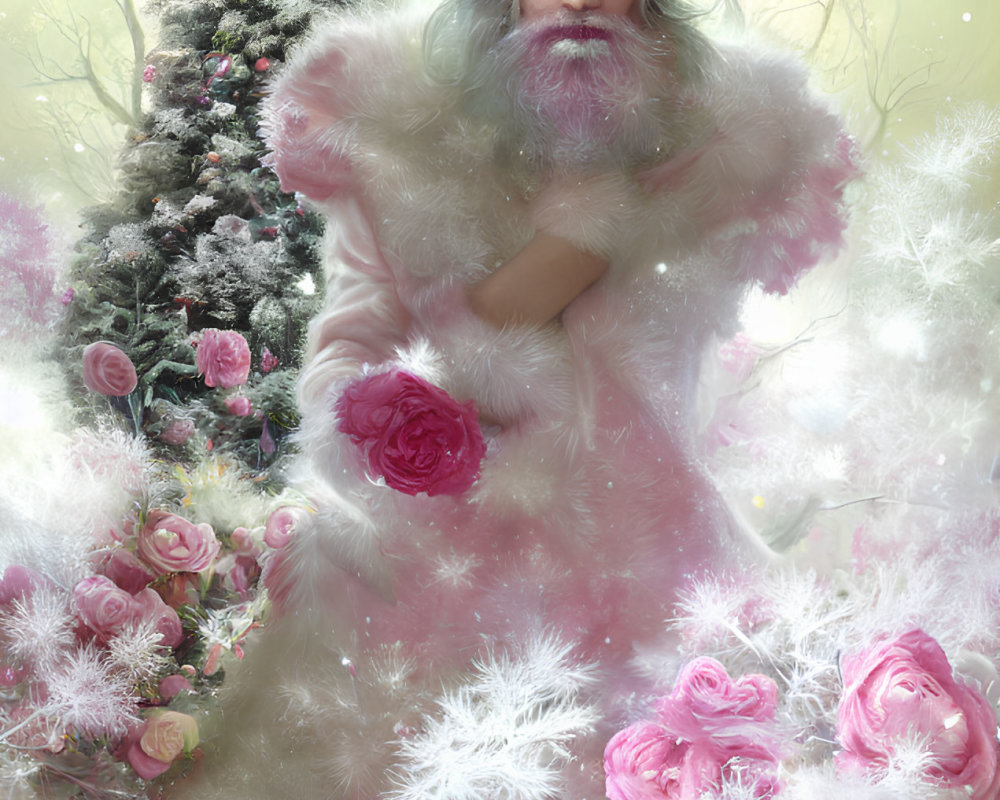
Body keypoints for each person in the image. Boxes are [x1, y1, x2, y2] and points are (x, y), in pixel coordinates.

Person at [181, 0, 855, 796]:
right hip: (436, 559)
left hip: (648, 563)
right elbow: (350, 346)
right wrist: (396, 415)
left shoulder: (726, 142)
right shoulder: (401, 143)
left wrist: (603, 232)